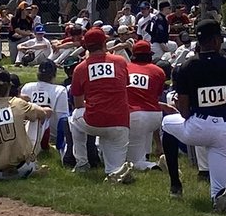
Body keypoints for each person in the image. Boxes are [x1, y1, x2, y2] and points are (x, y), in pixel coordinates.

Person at [160, 17, 226, 212]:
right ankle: (222, 194)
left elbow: (183, 110)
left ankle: (175, 185)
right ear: (217, 40)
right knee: (217, 190)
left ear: (198, 42)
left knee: (167, 123)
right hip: (225, 128)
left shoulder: (186, 67)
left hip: (197, 125)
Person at [69, 27, 133, 183]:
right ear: (105, 43)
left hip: (93, 120)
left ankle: (82, 163)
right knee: (114, 170)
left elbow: (78, 105)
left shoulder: (80, 68)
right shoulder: (119, 61)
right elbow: (125, 85)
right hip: (120, 121)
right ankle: (115, 171)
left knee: (73, 119)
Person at [0, 66, 51, 180]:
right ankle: (33, 163)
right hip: (22, 168)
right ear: (8, 87)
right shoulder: (18, 103)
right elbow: (42, 114)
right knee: (37, 118)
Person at [124, 39, 167, 170]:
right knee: (144, 131)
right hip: (155, 115)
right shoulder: (158, 71)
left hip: (134, 114)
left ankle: (153, 166)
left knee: (133, 162)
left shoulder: (125, 68)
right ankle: (146, 154)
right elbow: (156, 95)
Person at [20, 59, 70, 155]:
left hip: (28, 132)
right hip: (52, 134)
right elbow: (62, 118)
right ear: (54, 74)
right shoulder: (60, 90)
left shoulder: (27, 86)